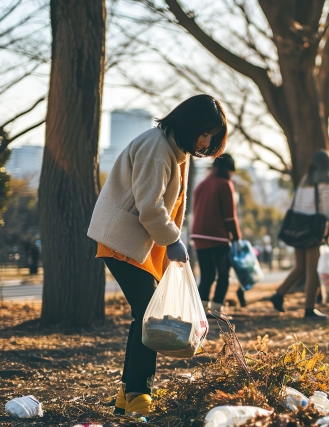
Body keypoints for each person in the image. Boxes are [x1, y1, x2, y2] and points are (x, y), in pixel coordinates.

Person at [87, 94, 228, 417]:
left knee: (144, 316)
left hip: (142, 245)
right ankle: (138, 392)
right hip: (122, 239)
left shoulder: (178, 152)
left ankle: (127, 393)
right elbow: (150, 208)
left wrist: (171, 246)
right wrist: (174, 241)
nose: (206, 141)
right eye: (203, 132)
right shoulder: (157, 149)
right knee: (148, 316)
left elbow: (167, 209)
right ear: (188, 123)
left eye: (212, 136)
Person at [269, 150, 329, 320]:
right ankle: (309, 309)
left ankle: (278, 295)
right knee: (313, 270)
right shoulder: (326, 182)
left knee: (300, 267)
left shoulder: (304, 182)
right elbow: (327, 209)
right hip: (313, 230)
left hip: (299, 229)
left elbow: (298, 206)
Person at [191, 153, 242, 310]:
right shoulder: (225, 184)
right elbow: (229, 216)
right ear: (228, 169)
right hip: (217, 236)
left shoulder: (201, 185)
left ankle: (201, 309)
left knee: (207, 275)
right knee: (223, 274)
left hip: (198, 234)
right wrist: (237, 237)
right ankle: (216, 308)